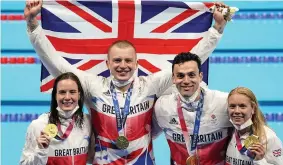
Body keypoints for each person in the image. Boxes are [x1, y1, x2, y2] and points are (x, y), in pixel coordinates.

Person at [24, 0, 228, 164]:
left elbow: (190, 61)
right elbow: (57, 65)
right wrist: (34, 27)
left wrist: (216, 29)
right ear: (108, 63)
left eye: (128, 60)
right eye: (117, 60)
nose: (123, 65)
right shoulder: (93, 86)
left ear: (136, 62)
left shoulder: (150, 85)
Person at [154, 52, 232, 165]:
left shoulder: (223, 102)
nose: (186, 81)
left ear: (200, 76)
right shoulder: (162, 106)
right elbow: (148, 135)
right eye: (180, 75)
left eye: (191, 75)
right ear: (173, 79)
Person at [20, 72, 94, 165]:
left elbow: (93, 158)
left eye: (72, 92)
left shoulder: (88, 122)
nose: (67, 97)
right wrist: (41, 151)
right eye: (62, 92)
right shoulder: (38, 125)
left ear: (79, 95)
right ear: (55, 95)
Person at [226, 87, 283, 165]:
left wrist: (259, 161)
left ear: (253, 108)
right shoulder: (228, 132)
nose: (237, 111)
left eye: (242, 106)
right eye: (232, 106)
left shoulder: (269, 137)